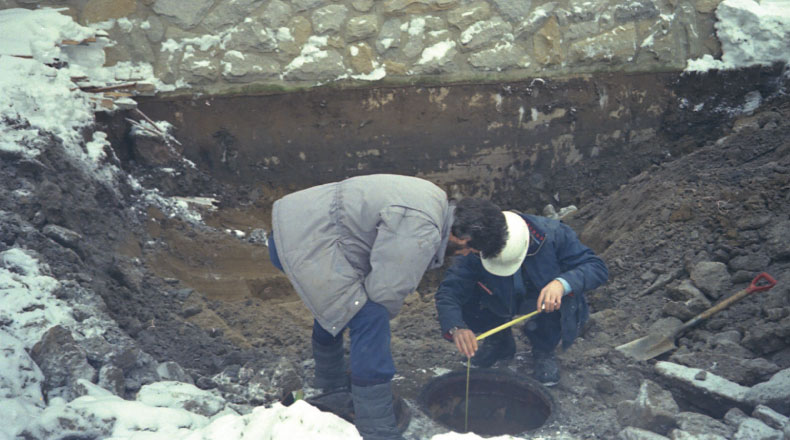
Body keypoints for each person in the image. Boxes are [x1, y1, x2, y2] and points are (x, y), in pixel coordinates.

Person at [267, 174, 507, 440]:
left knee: (342, 301)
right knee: (370, 316)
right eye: (469, 251)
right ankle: (378, 430)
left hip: (302, 226)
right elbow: (384, 292)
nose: (463, 256)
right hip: (307, 242)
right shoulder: (424, 228)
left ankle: (331, 383)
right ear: (462, 234)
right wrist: (370, 337)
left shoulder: (435, 201)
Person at [434, 209, 608, 386]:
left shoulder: (554, 235)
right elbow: (450, 291)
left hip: (544, 297)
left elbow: (596, 267)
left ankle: (544, 349)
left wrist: (562, 283)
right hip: (500, 296)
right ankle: (499, 340)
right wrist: (456, 327)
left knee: (567, 293)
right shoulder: (479, 245)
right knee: (467, 295)